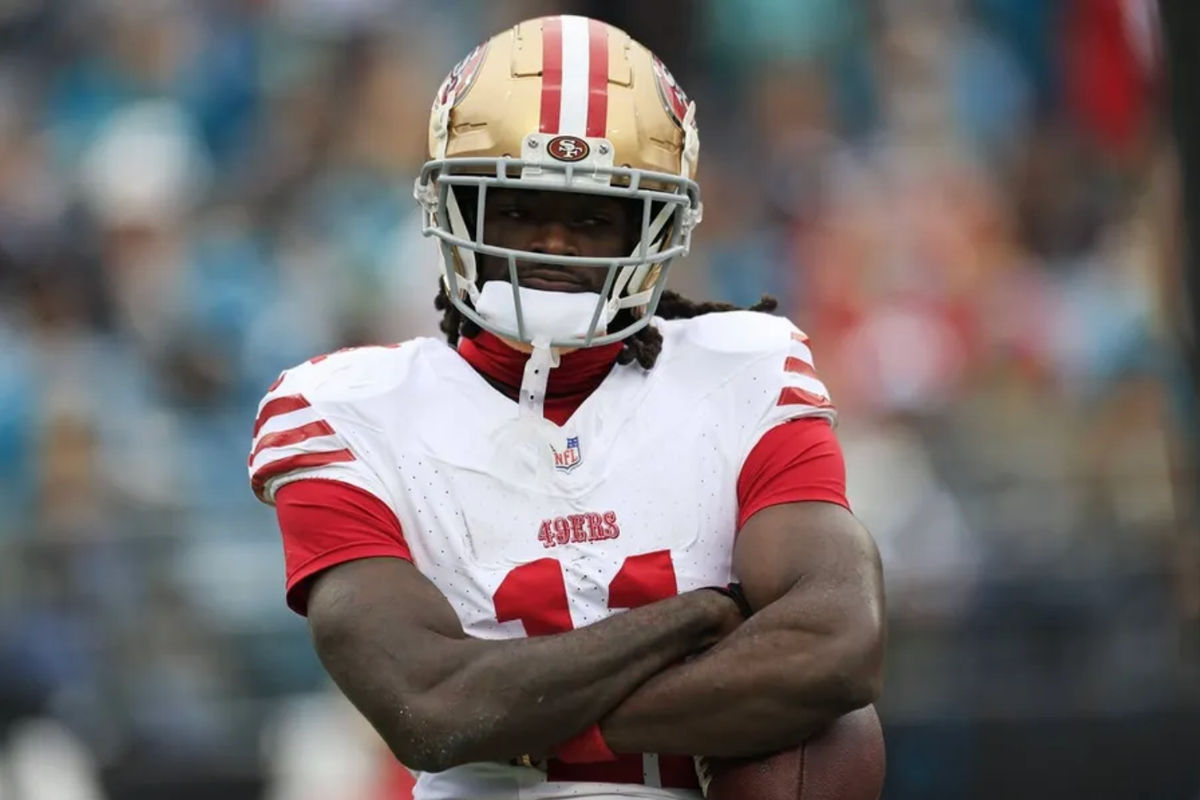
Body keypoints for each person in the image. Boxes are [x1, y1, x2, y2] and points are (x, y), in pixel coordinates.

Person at [248, 15, 884, 800]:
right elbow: (429, 707)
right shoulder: (344, 409)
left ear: (654, 227)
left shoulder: (743, 367)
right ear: (458, 213)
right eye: (516, 207)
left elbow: (838, 641)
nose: (552, 243)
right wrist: (692, 619)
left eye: (591, 217)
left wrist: (529, 726)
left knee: (839, 737)